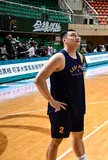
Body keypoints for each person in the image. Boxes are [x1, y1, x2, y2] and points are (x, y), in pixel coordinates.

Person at [34, 29, 86, 160]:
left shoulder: (80, 56)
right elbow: (39, 79)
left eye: (78, 35)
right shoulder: (59, 57)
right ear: (64, 40)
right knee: (57, 140)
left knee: (78, 134)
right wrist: (52, 101)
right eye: (73, 35)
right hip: (62, 108)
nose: (77, 37)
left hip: (77, 105)